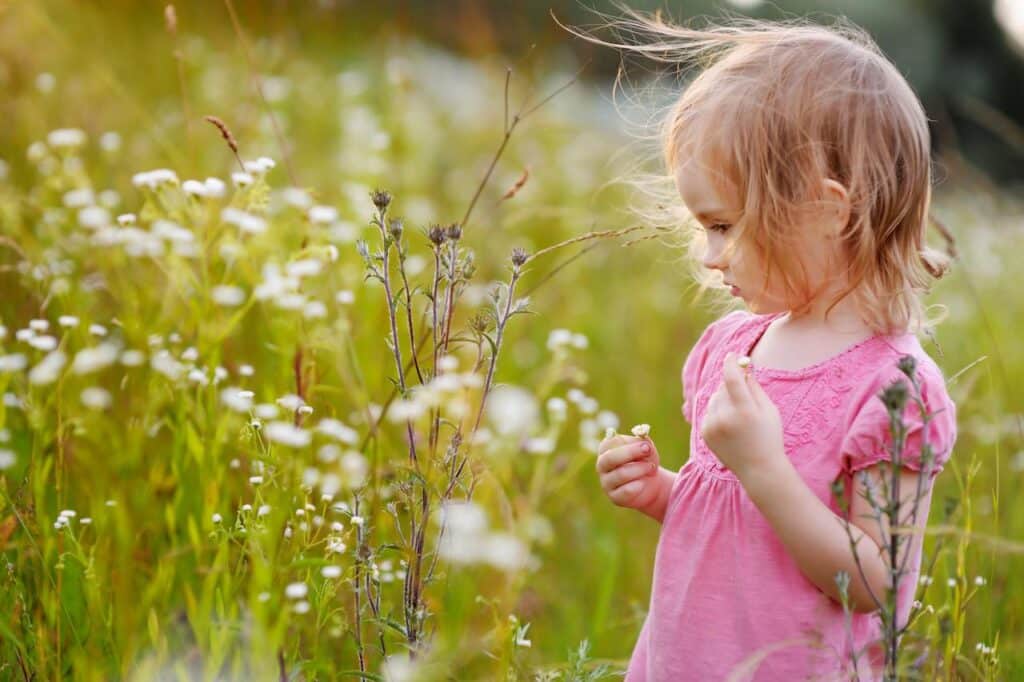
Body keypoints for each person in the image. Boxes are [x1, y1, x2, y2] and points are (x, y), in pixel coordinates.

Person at [573, 8, 959, 681]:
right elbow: (737, 530)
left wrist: (763, 468)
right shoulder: (731, 347)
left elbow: (874, 585)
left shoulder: (893, 389)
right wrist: (660, 491)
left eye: (723, 226)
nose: (708, 256)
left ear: (825, 210)